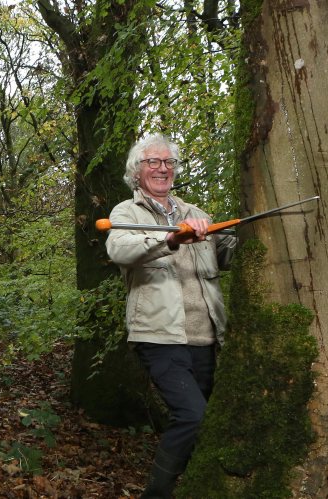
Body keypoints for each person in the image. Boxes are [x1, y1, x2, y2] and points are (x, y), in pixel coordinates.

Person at [104, 134, 236, 498]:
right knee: (192, 416)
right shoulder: (126, 213)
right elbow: (120, 250)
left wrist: (233, 237)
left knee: (204, 421)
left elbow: (226, 259)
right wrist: (171, 240)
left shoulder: (197, 214)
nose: (161, 169)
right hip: (159, 337)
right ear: (137, 171)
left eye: (168, 163)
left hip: (204, 337)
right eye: (152, 162)